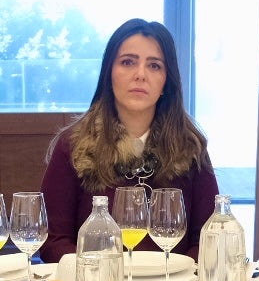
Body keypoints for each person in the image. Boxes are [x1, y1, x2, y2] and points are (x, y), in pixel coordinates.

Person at [40, 18, 218, 261]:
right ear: (109, 73)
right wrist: (100, 274)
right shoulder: (72, 146)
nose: (140, 75)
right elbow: (52, 241)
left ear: (167, 81)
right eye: (127, 62)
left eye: (154, 66)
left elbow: (209, 237)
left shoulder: (191, 147)